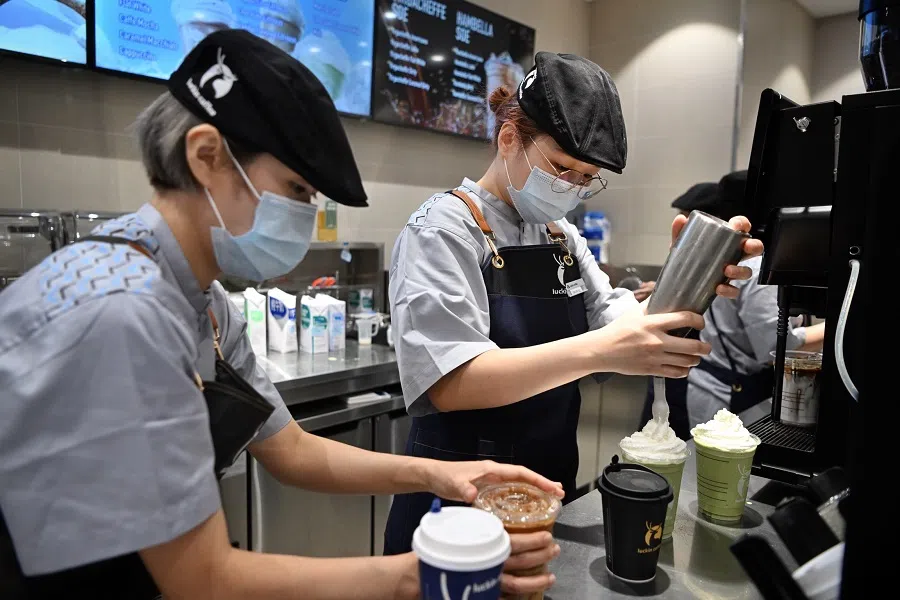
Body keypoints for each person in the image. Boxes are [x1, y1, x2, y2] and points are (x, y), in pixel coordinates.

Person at [0, 31, 564, 600]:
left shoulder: (205, 301)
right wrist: (413, 578)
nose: (304, 215)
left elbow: (290, 450)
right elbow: (204, 578)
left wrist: (440, 474)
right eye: (296, 189)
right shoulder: (123, 314)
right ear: (206, 157)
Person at [382, 52, 764, 556]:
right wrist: (602, 351)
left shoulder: (561, 236)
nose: (571, 188)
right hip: (457, 505)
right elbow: (452, 382)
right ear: (509, 138)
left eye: (586, 178)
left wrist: (691, 274)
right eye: (561, 168)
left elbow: (620, 322)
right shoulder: (443, 229)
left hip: (546, 492)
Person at [639, 170, 826, 435]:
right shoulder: (755, 264)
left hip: (703, 382)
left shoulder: (717, 256)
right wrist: (842, 330)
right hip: (728, 394)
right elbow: (774, 345)